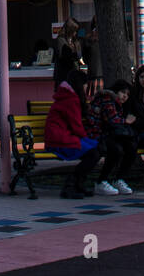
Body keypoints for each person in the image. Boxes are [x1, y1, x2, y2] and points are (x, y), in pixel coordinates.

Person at [43, 68, 102, 199]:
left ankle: (77, 184)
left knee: (95, 149)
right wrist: (87, 138)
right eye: (85, 83)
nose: (87, 86)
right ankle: (71, 185)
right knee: (93, 153)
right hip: (59, 140)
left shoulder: (67, 96)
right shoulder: (71, 99)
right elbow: (76, 126)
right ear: (80, 84)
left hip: (60, 137)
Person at [87, 79, 138, 195]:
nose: (125, 96)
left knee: (131, 147)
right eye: (123, 92)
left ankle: (119, 179)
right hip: (97, 134)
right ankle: (101, 181)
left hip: (107, 134)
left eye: (127, 95)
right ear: (116, 91)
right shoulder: (107, 99)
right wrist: (127, 121)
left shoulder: (117, 103)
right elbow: (112, 121)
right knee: (116, 150)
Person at [52, 18, 83, 85]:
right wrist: (75, 55)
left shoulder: (75, 41)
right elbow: (62, 56)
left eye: (77, 31)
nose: (76, 33)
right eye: (74, 30)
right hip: (63, 76)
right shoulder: (61, 40)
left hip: (74, 74)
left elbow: (80, 56)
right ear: (70, 29)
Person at [81, 21, 103, 99]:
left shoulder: (88, 39)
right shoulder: (104, 37)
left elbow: (85, 58)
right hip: (102, 74)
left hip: (93, 73)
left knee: (93, 100)